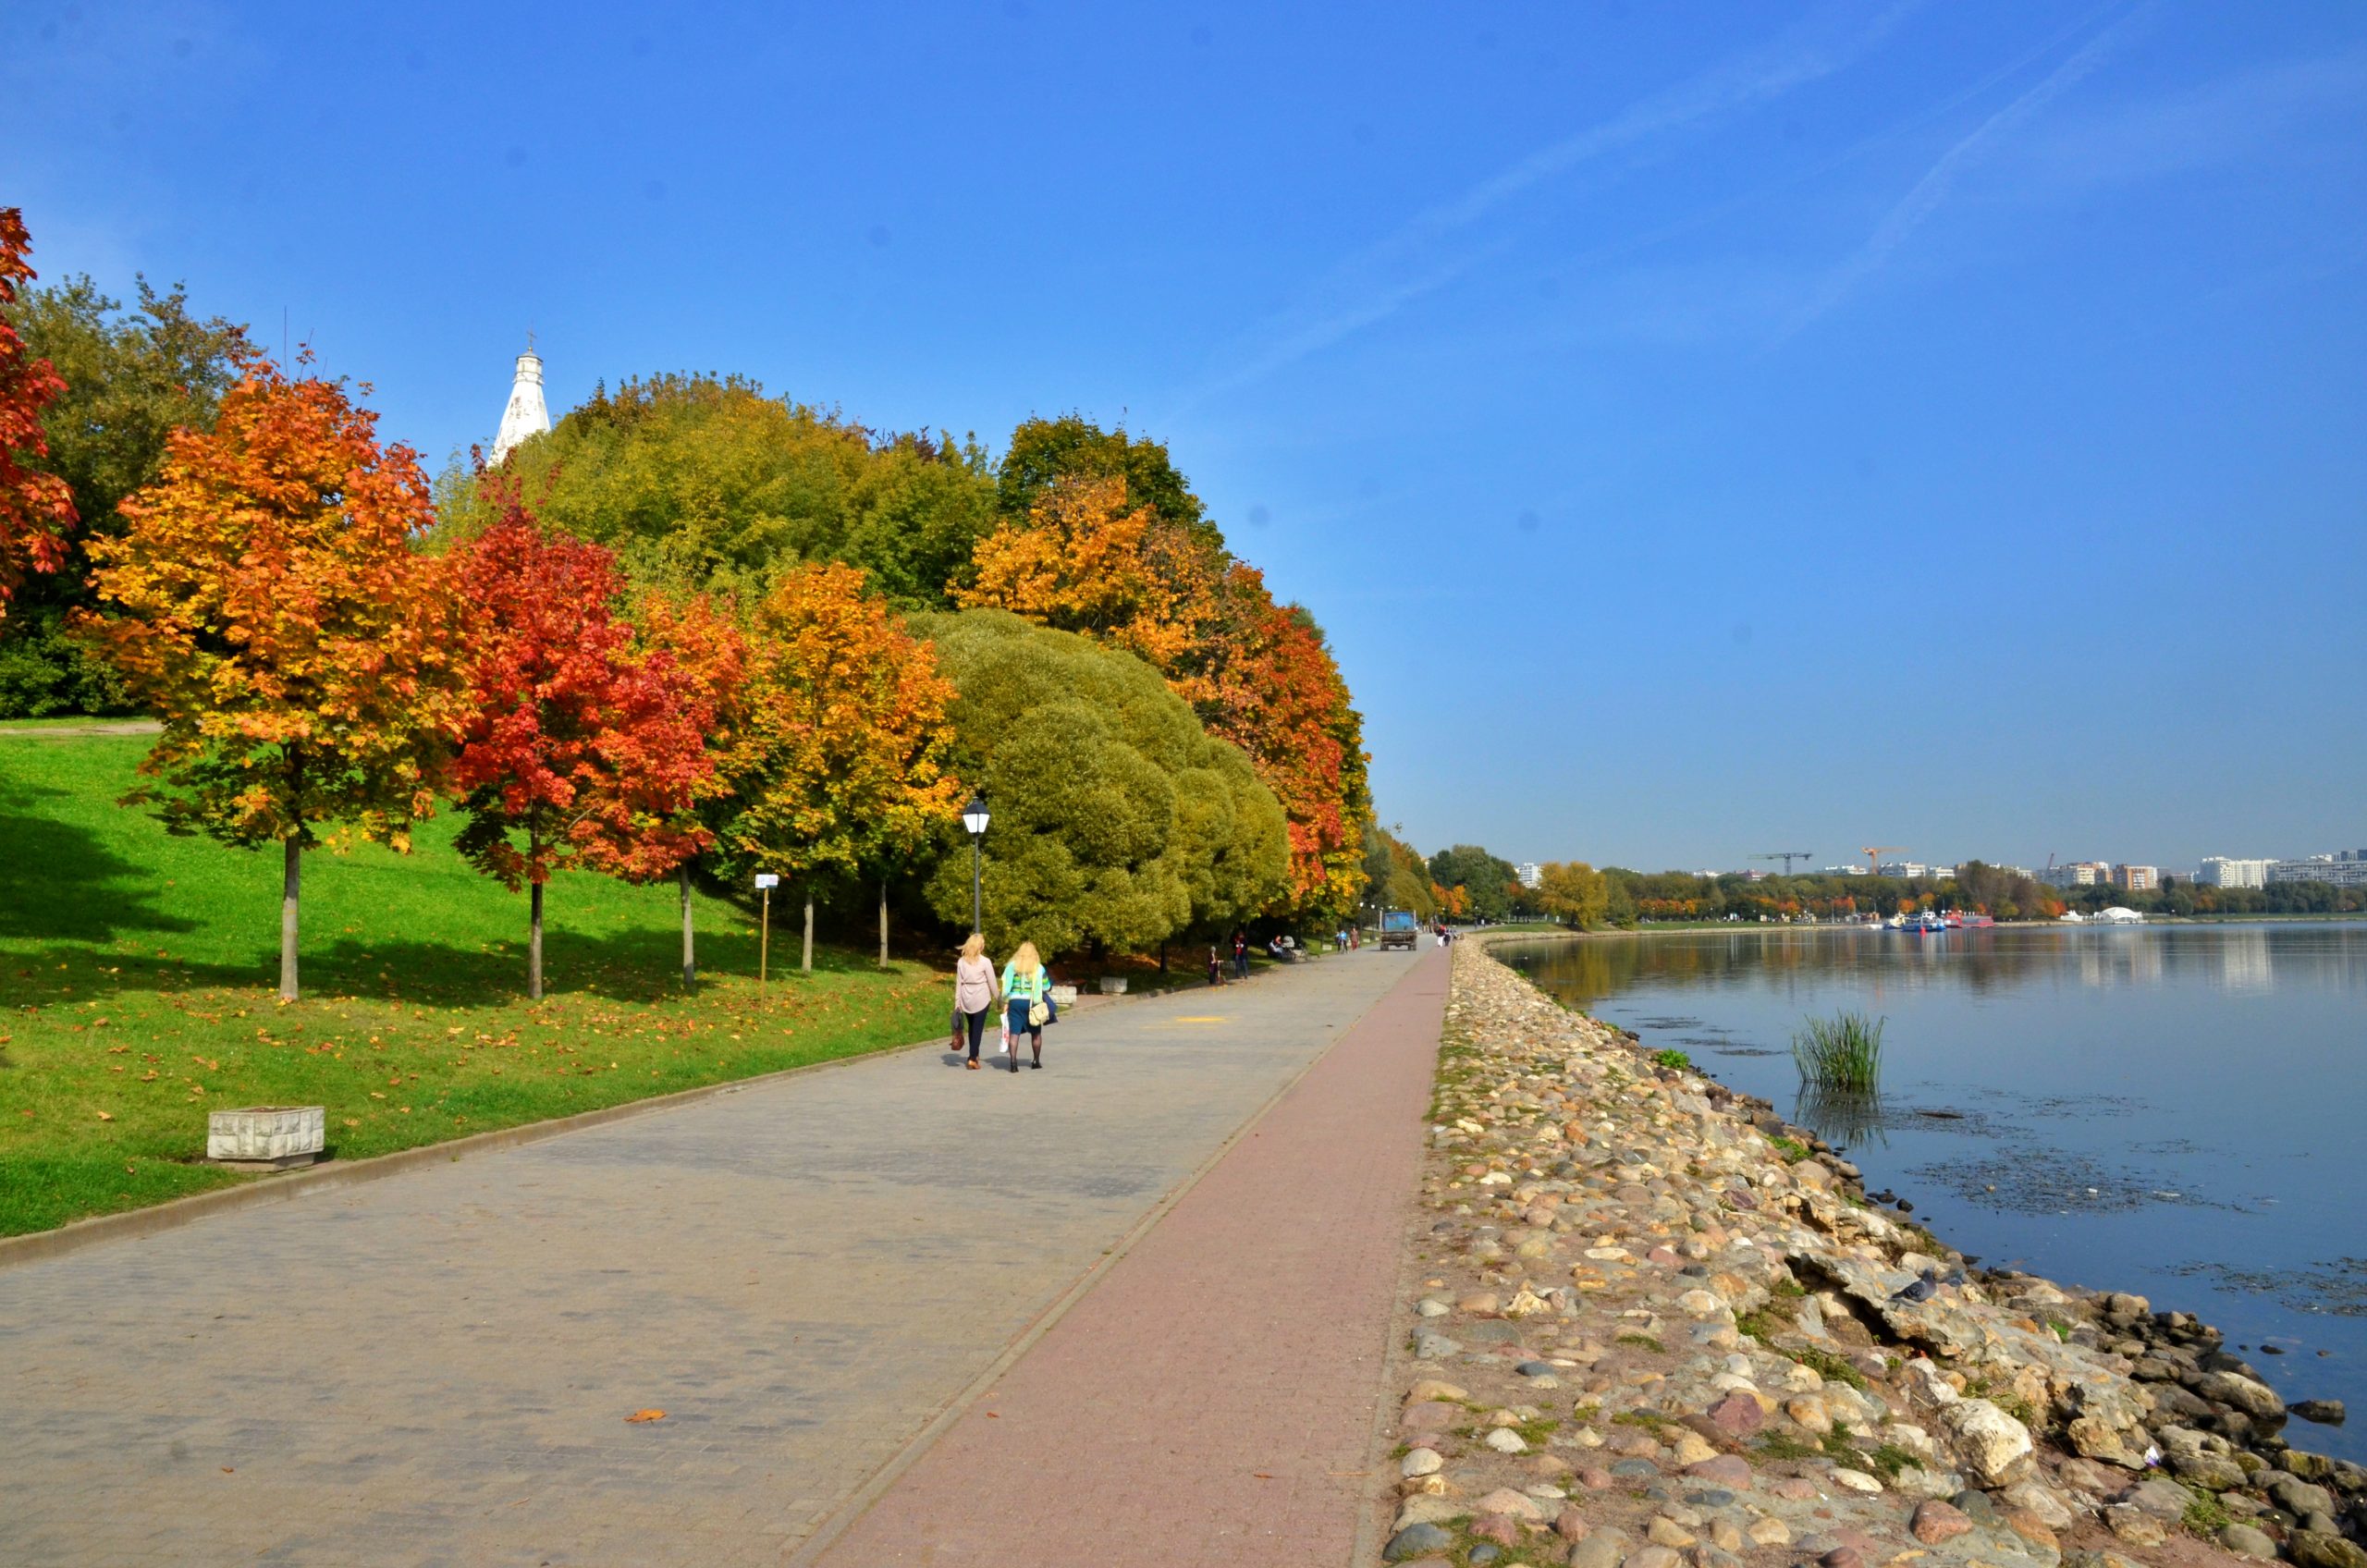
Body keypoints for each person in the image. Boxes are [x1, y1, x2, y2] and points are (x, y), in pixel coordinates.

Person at [1000, 940, 1052, 1072]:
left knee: (1014, 1033)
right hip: (1032, 1003)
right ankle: (1035, 1061)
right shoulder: (1039, 968)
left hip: (1015, 1003)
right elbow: (1047, 986)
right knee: (1036, 1033)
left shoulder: (1012, 966)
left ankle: (1013, 1064)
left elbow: (1006, 988)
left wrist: (1005, 1001)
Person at [952, 933, 999, 1071]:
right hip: (981, 998)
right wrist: (999, 999)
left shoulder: (961, 962)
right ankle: (972, 1058)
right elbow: (992, 982)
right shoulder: (985, 961)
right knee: (977, 1029)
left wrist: (957, 1003)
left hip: (966, 998)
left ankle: (974, 1054)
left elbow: (959, 983)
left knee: (972, 1027)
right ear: (980, 946)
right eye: (983, 943)